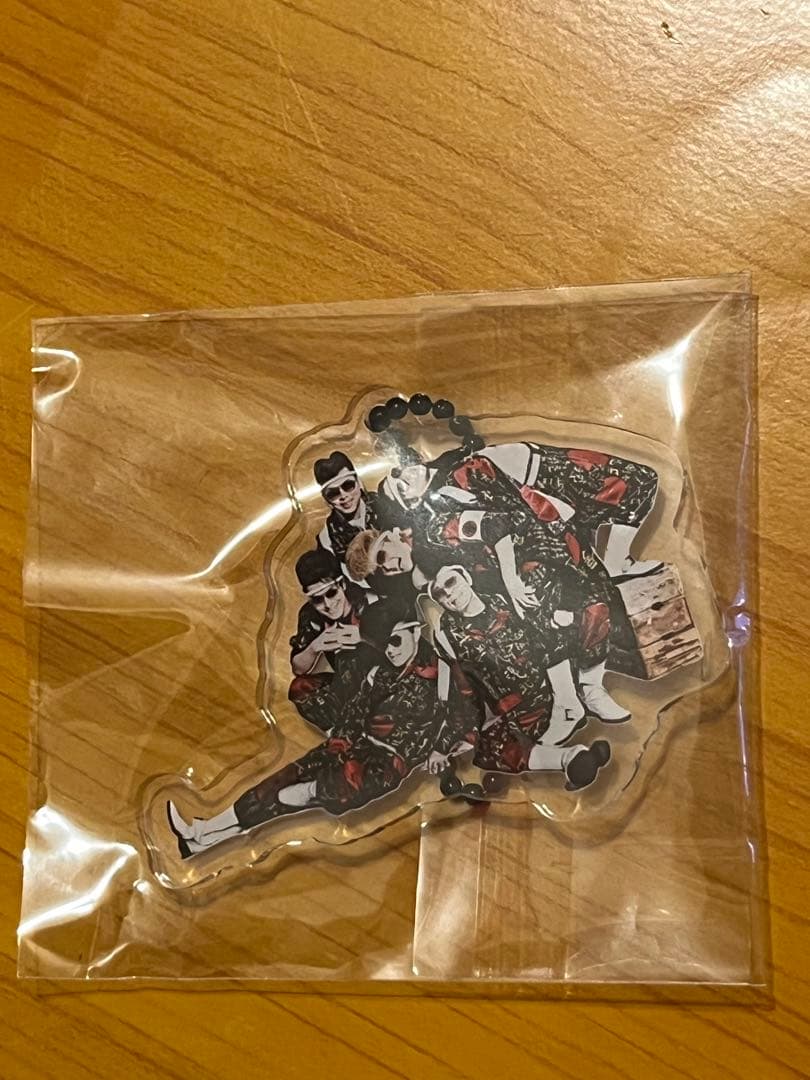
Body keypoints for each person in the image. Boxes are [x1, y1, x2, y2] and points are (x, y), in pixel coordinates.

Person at [167, 600, 477, 859]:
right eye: (382, 644)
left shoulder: (445, 675)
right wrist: (337, 744)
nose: (389, 651)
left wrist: (441, 749)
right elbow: (355, 712)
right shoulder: (379, 671)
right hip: (354, 745)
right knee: (280, 782)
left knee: (296, 796)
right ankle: (202, 835)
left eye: (395, 641)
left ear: (415, 630)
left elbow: (466, 718)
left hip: (381, 767)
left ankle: (205, 836)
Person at [429, 564, 611, 785]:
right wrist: (448, 742)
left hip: (557, 686)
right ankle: (570, 758)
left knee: (575, 623)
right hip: (520, 710)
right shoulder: (448, 635)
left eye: (451, 582)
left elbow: (547, 637)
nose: (448, 594)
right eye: (439, 593)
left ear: (466, 577)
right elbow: (464, 690)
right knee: (492, 748)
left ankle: (573, 704)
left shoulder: (505, 598)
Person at [288, 549, 373, 734]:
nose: (327, 605)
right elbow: (298, 669)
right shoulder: (310, 615)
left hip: (380, 676)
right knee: (299, 689)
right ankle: (338, 732)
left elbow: (403, 645)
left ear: (342, 584)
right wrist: (314, 647)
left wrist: (364, 636)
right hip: (345, 684)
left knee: (349, 659)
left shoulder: (368, 601)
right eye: (317, 600)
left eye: (331, 593)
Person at [314, 451, 378, 570]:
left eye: (348, 485)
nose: (343, 496)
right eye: (333, 493)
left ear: (359, 482)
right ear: (326, 499)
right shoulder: (327, 538)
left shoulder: (384, 503)